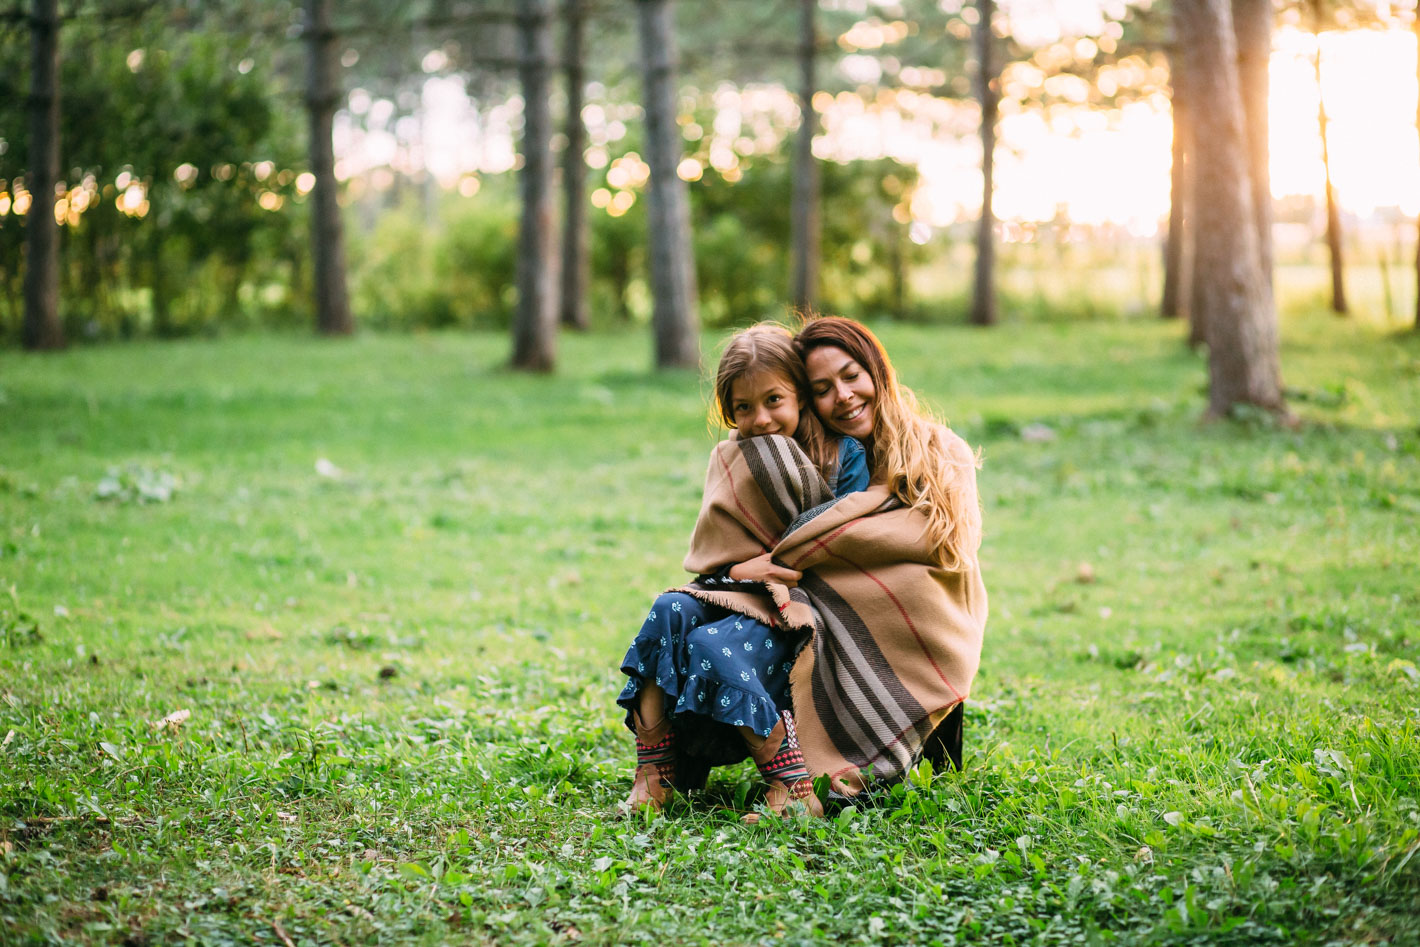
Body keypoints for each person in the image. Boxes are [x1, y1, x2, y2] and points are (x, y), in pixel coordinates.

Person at [617, 324, 867, 816]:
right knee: (669, 607)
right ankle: (655, 773)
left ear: (798, 393)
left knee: (713, 646)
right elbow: (721, 544)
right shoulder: (733, 457)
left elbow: (838, 539)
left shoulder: (843, 457)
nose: (761, 419)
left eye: (775, 400)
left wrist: (770, 564)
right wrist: (745, 566)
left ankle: (792, 788)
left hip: (803, 604)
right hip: (736, 588)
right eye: (744, 408)